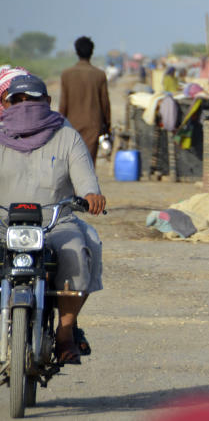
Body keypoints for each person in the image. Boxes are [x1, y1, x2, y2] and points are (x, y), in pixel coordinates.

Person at [0, 74, 106, 365]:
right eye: (17, 101)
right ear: (5, 104)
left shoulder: (66, 136)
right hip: (3, 223)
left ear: (47, 102)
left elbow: (85, 180)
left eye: (31, 100)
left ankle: (66, 330)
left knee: (78, 252)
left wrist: (91, 195)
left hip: (54, 222)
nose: (25, 106)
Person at [59, 36, 111, 161]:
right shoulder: (99, 74)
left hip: (71, 124)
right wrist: (107, 124)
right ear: (92, 52)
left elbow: (63, 104)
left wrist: (60, 124)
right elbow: (105, 103)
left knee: (72, 161)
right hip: (93, 125)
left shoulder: (67, 74)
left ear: (76, 52)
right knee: (89, 162)